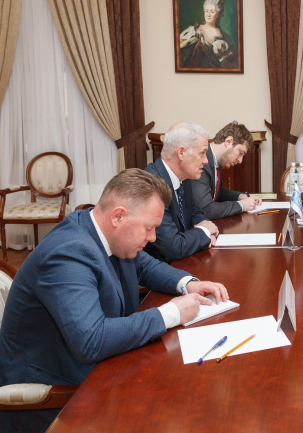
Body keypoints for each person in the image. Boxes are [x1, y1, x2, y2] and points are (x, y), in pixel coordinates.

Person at [0, 169, 229, 432]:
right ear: (118, 216)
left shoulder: (106, 232)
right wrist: (170, 314)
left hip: (102, 366)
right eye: (149, 228)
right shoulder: (68, 253)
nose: (153, 237)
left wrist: (188, 283)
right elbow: (91, 341)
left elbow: (144, 266)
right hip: (57, 394)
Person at [144, 122, 219, 262]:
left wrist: (206, 227)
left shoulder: (184, 178)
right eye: (202, 153)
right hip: (157, 269)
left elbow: (194, 212)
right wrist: (204, 232)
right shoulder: (152, 185)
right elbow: (174, 247)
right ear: (181, 153)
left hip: (182, 261)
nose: (206, 161)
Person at [190, 121, 262, 219]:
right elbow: (206, 209)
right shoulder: (203, 162)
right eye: (240, 153)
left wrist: (241, 197)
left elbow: (218, 192)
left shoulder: (217, 160)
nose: (240, 160)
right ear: (228, 142)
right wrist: (241, 205)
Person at [179, 0, 238, 69]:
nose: (208, 15)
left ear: (218, 14)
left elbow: (232, 65)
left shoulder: (226, 38)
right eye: (206, 11)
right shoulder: (192, 32)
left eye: (212, 12)